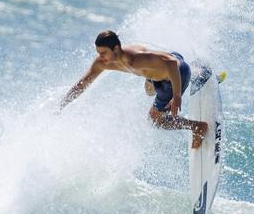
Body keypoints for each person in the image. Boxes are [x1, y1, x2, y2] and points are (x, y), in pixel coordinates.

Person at [59, 30, 208, 148]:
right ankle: (199, 71)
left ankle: (197, 127)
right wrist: (62, 105)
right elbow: (82, 83)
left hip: (176, 72)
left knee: (155, 120)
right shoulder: (103, 63)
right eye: (98, 52)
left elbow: (171, 63)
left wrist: (177, 96)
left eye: (103, 53)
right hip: (157, 71)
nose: (100, 57)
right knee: (149, 91)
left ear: (116, 48)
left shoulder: (135, 59)